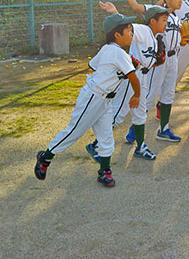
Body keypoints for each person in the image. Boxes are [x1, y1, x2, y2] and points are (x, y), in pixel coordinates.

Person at [34, 13, 140, 188]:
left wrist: (117, 69)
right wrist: (136, 94)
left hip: (105, 100)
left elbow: (94, 65)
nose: (131, 33)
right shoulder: (116, 51)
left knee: (106, 137)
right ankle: (45, 158)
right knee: (74, 131)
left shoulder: (108, 49)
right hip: (93, 97)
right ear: (117, 35)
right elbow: (133, 78)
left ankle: (104, 171)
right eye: (128, 30)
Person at [110, 0, 185, 142]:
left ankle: (164, 129)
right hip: (157, 61)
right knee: (149, 96)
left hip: (173, 58)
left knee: (168, 95)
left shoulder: (176, 16)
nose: (181, 0)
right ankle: (133, 130)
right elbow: (136, 7)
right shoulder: (156, 12)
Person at [101, 3, 170, 161]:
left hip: (143, 78)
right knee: (118, 113)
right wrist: (115, 11)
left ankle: (140, 147)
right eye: (163, 20)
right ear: (152, 21)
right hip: (131, 77)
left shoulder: (154, 37)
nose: (166, 23)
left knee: (140, 115)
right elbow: (126, 27)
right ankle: (97, 143)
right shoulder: (143, 30)